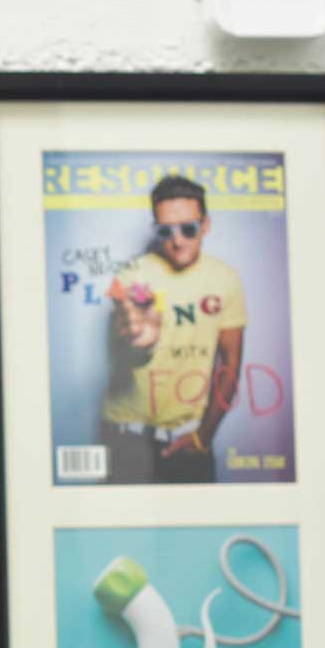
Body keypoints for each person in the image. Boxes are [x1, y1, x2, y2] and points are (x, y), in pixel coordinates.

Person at [100, 174, 248, 485]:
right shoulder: (131, 275)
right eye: (165, 230)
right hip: (126, 439)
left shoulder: (226, 279)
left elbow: (230, 364)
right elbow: (123, 340)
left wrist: (203, 438)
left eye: (189, 229)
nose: (177, 240)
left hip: (188, 441)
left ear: (205, 225)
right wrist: (141, 341)